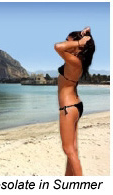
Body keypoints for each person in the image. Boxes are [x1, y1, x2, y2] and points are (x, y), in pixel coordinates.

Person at [54, 27, 95, 176]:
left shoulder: (75, 62)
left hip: (68, 108)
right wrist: (85, 35)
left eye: (68, 41)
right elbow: (62, 47)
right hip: (75, 106)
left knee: (68, 150)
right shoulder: (77, 61)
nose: (65, 43)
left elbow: (58, 47)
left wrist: (79, 42)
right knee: (73, 149)